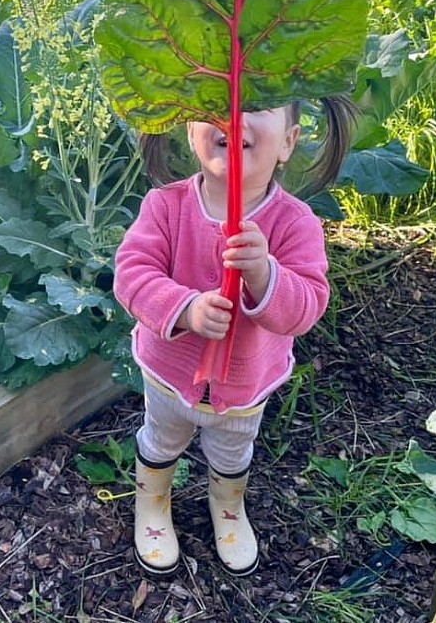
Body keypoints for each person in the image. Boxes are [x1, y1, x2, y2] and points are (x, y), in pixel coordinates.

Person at [113, 97, 355, 577]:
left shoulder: (295, 224)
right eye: (216, 104)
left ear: (288, 142)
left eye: (259, 105)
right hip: (168, 376)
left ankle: (228, 510)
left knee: (231, 452)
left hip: (246, 387)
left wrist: (265, 275)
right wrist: (185, 309)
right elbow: (131, 275)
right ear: (189, 134)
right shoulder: (166, 206)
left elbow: (307, 306)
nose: (233, 116)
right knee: (161, 440)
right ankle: (153, 504)